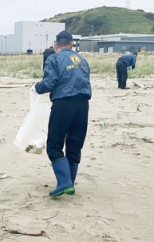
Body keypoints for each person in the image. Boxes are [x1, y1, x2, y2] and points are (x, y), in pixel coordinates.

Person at [35, 31, 92, 197]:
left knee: (54, 144)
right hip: (83, 105)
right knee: (75, 144)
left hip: (63, 104)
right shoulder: (83, 60)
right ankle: (70, 184)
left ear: (56, 45)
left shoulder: (54, 58)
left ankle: (64, 182)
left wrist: (37, 87)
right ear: (72, 45)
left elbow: (50, 81)